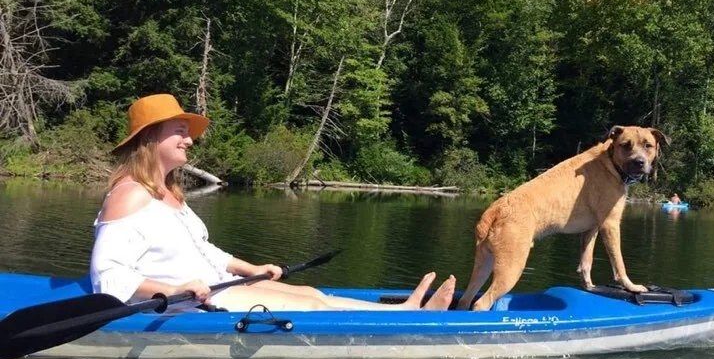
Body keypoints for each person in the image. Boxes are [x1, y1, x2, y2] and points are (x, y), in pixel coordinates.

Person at [90, 94, 456, 311]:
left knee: (310, 292)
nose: (189, 141)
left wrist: (250, 268)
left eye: (188, 134)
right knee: (311, 306)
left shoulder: (170, 194)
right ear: (151, 139)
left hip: (214, 289)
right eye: (180, 133)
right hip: (188, 305)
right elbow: (108, 277)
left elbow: (204, 251)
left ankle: (405, 311)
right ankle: (407, 319)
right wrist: (172, 290)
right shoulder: (130, 194)